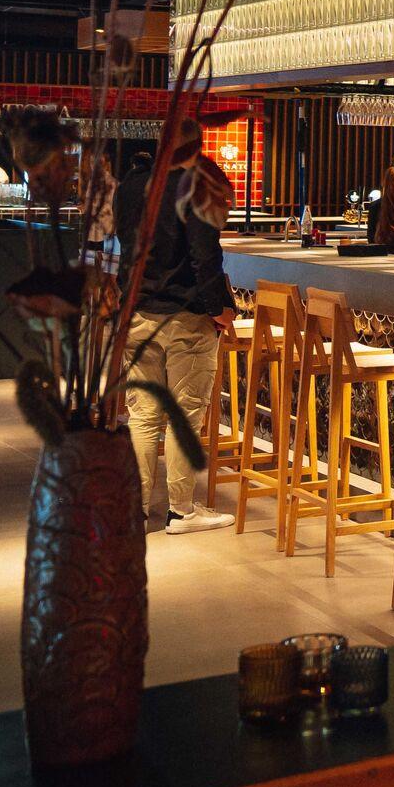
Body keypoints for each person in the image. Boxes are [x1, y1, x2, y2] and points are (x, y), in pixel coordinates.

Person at [116, 146, 235, 533]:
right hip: (186, 318)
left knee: (143, 418)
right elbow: (205, 256)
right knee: (184, 417)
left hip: (137, 313)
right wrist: (219, 308)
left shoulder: (131, 184)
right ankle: (182, 511)